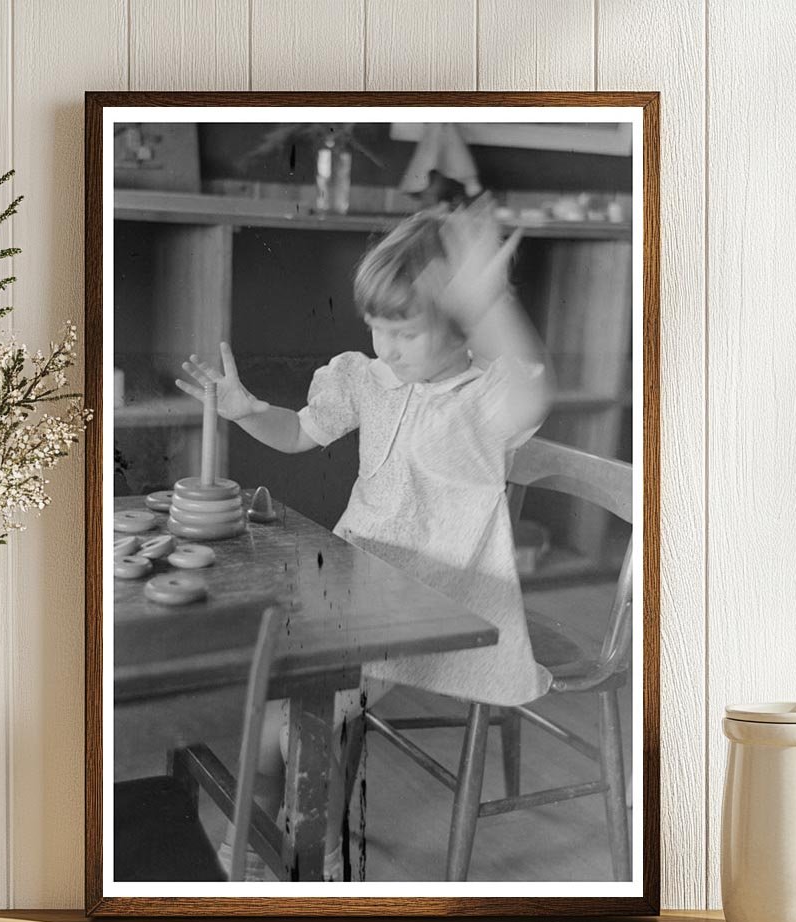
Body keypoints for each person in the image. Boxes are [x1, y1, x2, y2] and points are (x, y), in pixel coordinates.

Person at [176, 197, 554, 881]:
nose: (386, 347)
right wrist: (249, 411)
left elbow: (529, 396)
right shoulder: (369, 379)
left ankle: (299, 847)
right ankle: (266, 831)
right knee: (263, 685)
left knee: (291, 717)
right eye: (377, 327)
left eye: (405, 332)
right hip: (361, 576)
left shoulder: (484, 400)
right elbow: (298, 434)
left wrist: (486, 299)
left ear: (463, 327)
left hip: (441, 595)